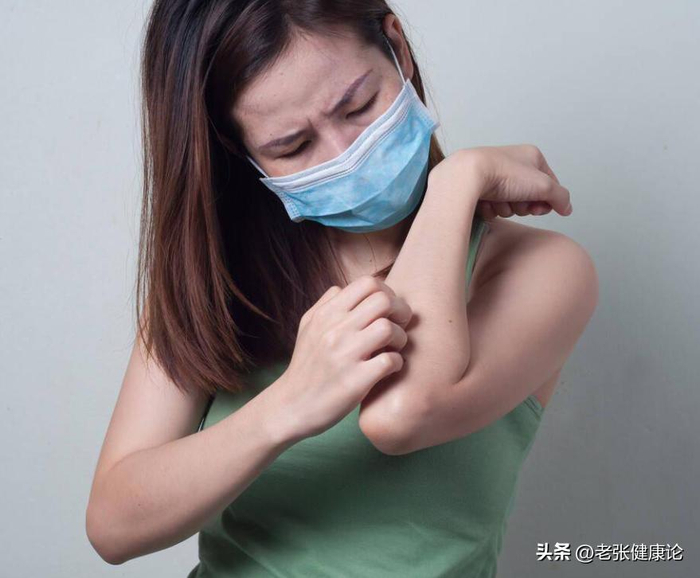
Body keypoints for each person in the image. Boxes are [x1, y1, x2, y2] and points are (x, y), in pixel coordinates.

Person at [85, 1, 599, 576]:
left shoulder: (538, 268)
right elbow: (113, 526)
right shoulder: (221, 279)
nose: (345, 156)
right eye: (291, 146)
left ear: (396, 46)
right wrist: (290, 402)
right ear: (238, 150)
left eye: (357, 106)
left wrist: (455, 184)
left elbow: (399, 415)